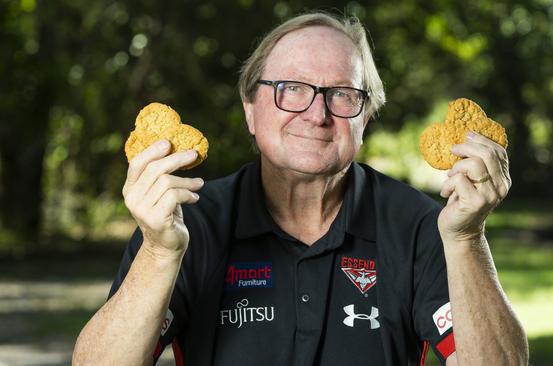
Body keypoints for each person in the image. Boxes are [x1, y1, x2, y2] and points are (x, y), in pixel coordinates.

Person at [72, 11, 528, 366]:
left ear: (365, 118)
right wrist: (158, 252)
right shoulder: (188, 219)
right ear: (251, 109)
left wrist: (468, 239)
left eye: (343, 94)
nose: (317, 113)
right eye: (291, 88)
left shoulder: (423, 226)